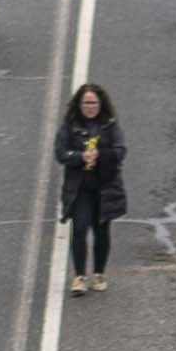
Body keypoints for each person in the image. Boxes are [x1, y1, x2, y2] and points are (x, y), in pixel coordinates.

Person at [55, 84, 128, 292]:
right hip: (80, 189)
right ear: (79, 104)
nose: (90, 107)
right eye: (86, 102)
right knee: (79, 229)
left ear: (101, 104)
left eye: (94, 102)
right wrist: (80, 157)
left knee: (101, 230)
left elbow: (120, 150)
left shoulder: (110, 125)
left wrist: (100, 155)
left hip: (104, 187)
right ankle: (79, 277)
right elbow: (60, 153)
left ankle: (99, 273)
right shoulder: (70, 126)